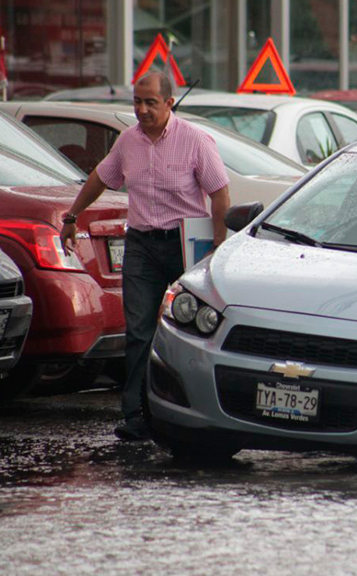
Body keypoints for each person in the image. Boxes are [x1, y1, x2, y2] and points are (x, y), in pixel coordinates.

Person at [60, 70, 230, 441]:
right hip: (140, 245)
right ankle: (135, 415)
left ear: (169, 103)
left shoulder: (196, 141)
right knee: (138, 331)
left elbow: (219, 193)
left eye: (150, 102)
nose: (141, 109)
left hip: (186, 245)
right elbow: (100, 179)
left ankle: (195, 410)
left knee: (196, 329)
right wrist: (72, 217)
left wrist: (218, 245)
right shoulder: (128, 142)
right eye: (137, 101)